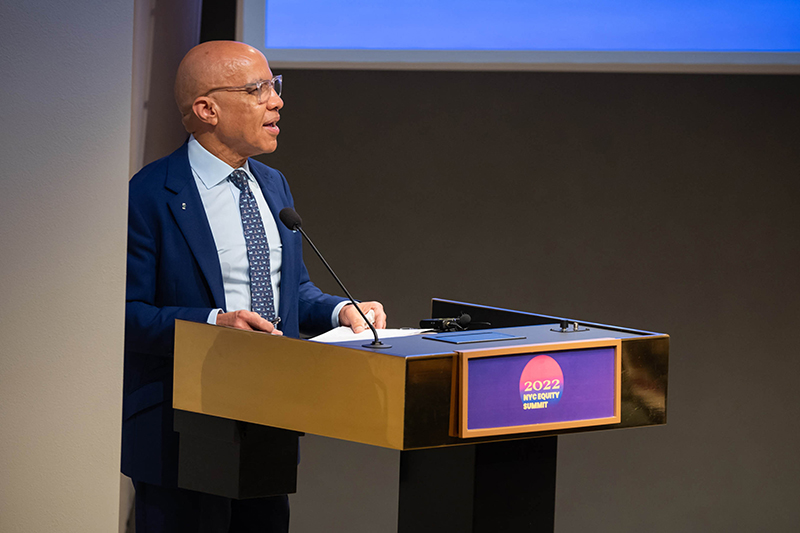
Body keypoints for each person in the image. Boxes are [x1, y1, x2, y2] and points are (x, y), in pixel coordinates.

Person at [122, 40, 387, 532]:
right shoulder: (150, 194)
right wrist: (213, 324)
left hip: (267, 416)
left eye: (274, 85)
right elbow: (124, 314)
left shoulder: (273, 185)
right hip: (181, 427)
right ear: (207, 109)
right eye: (257, 88)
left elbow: (292, 292)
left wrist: (341, 312)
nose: (277, 100)